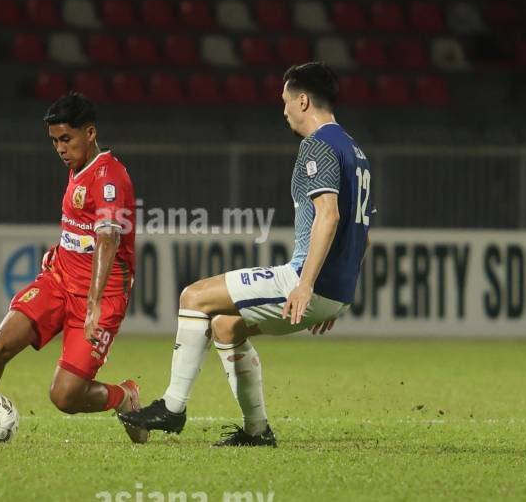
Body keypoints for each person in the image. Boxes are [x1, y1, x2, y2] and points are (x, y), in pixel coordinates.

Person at [119, 62, 373, 447]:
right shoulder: (356, 152)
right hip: (336, 291)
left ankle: (172, 407)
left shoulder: (318, 144)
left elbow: (330, 215)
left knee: (193, 297)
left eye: (286, 101)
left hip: (308, 281)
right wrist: (336, 296)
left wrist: (307, 284)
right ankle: (257, 431)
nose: (284, 110)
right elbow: (362, 235)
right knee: (226, 326)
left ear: (303, 101)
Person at [0, 92, 146, 444]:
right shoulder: (79, 167)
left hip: (100, 296)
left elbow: (108, 239)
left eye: (66, 139)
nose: (60, 148)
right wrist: (62, 250)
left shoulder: (110, 178)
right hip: (58, 280)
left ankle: (124, 397)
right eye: (54, 141)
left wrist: (93, 304)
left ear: (90, 132)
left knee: (65, 396)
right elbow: (83, 228)